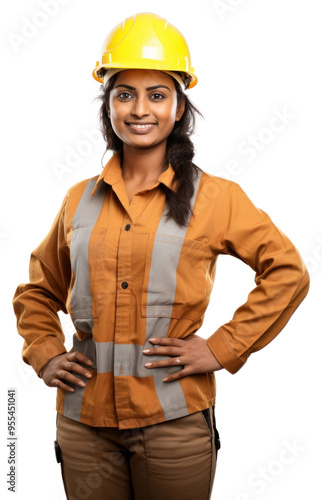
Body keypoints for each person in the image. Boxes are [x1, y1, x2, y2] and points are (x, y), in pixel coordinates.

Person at [12, 12, 310, 500]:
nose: (139, 109)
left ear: (178, 106)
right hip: (85, 427)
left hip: (174, 425)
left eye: (157, 94)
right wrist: (44, 354)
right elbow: (39, 291)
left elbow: (288, 273)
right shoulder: (77, 201)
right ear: (107, 105)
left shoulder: (216, 197)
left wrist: (221, 348)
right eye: (124, 93)